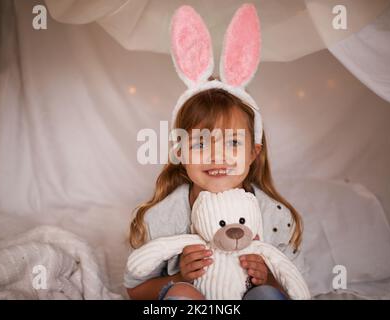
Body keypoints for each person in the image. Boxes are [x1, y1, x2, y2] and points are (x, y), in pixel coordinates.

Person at [124, 4, 303, 300]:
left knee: (268, 296)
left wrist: (268, 277)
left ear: (253, 152)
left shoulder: (274, 215)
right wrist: (179, 276)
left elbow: (297, 287)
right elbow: (134, 290)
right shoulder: (161, 218)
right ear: (180, 152)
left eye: (233, 142)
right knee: (181, 293)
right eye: (201, 143)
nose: (217, 156)